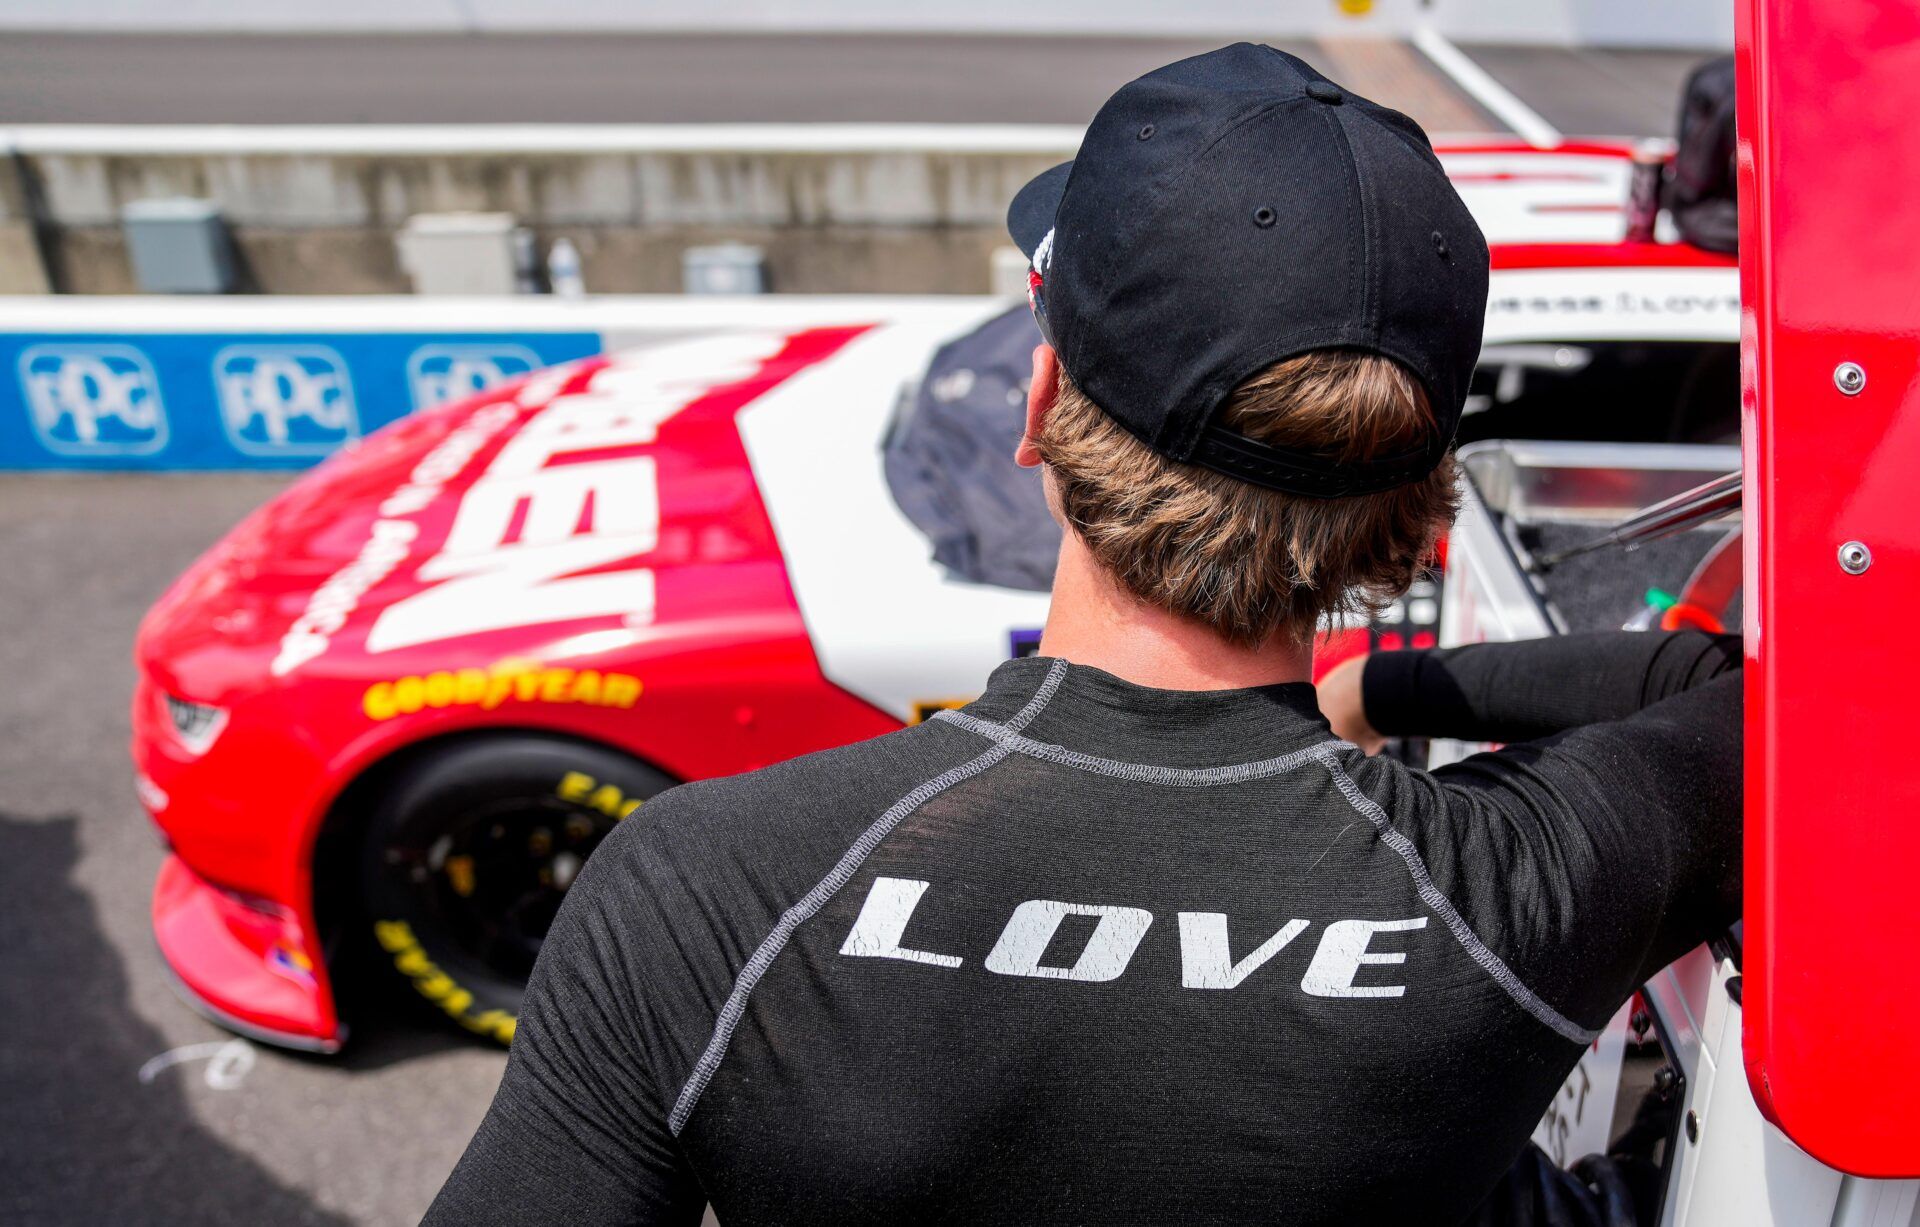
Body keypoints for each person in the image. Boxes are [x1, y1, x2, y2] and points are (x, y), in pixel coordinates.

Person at [426, 44, 1741, 1226]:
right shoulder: (1519, 889)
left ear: (1043, 400)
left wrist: (1369, 692)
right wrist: (1379, 690)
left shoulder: (704, 894)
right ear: (1413, 502)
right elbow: (1719, 684)